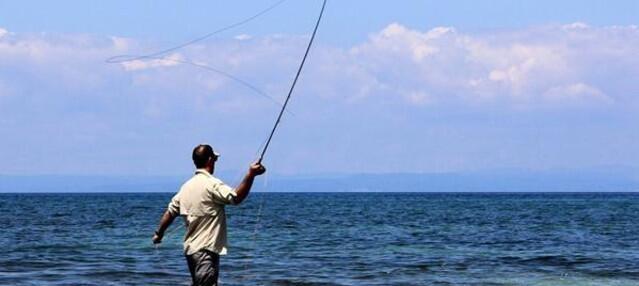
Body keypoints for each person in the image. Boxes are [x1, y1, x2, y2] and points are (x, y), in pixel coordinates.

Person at [152, 144, 266, 286]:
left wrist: (159, 233)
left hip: (191, 252)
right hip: (205, 252)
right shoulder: (212, 184)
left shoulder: (186, 187)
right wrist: (251, 175)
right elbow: (236, 198)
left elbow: (170, 213)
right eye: (215, 159)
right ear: (210, 160)